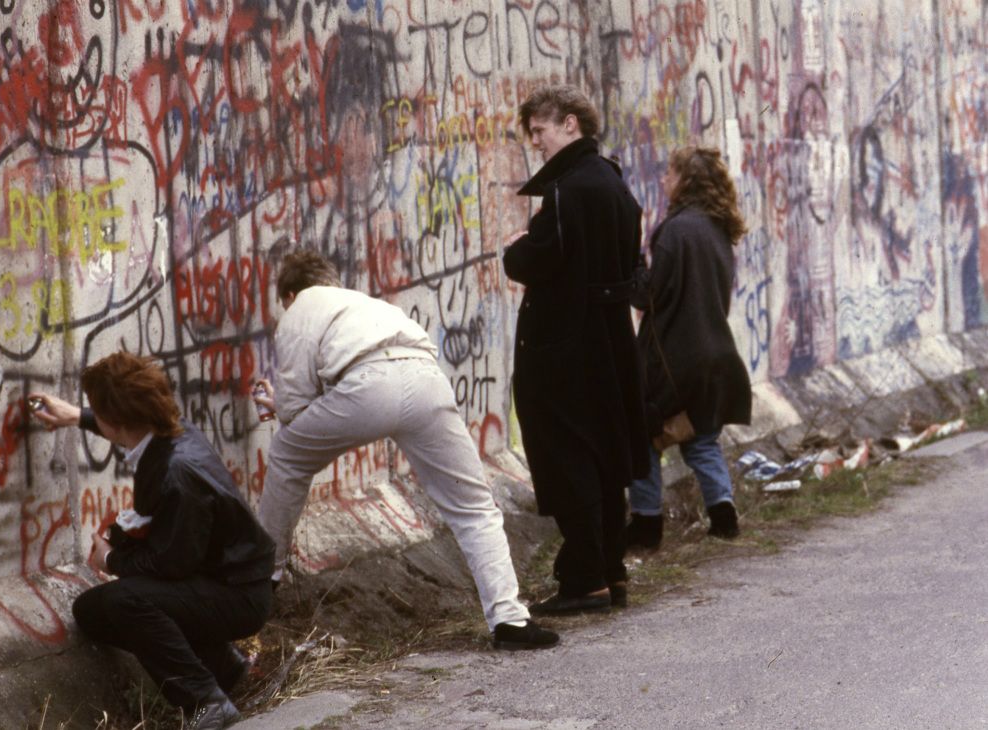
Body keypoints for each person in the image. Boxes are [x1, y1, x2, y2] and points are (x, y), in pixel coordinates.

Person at [252, 249, 559, 651]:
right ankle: (510, 619)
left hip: (365, 388)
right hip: (424, 378)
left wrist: (280, 408)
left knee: (287, 456)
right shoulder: (363, 302)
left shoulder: (298, 310)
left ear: (289, 293)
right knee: (473, 504)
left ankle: (263, 578)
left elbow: (296, 410)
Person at [29, 352, 275, 730]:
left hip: (238, 595)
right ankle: (223, 667)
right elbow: (125, 425)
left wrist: (111, 559)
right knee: (93, 611)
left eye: (99, 411)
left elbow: (172, 565)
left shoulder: (177, 475)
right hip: (220, 580)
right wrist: (77, 416)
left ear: (117, 420)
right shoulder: (172, 433)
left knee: (127, 601)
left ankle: (205, 701)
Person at [502, 84, 650, 615]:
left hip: (564, 345)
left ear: (570, 124)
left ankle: (586, 577)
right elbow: (633, 262)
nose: (536, 142)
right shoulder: (611, 179)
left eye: (540, 131)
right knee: (604, 454)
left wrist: (516, 252)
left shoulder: (567, 189)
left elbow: (536, 260)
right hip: (608, 339)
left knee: (568, 456)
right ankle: (609, 570)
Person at [624, 146, 752, 549]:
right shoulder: (717, 229)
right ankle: (723, 516)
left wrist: (632, 265)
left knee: (643, 436)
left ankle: (646, 525)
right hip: (715, 356)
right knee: (702, 440)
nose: (663, 180)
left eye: (669, 174)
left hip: (672, 357)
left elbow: (647, 296)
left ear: (686, 181)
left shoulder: (675, 231)